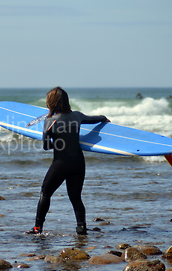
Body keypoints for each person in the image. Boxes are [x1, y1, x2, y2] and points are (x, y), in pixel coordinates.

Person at [26, 87, 110, 236]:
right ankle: (81, 228)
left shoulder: (50, 121)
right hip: (78, 163)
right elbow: (97, 118)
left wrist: (56, 141)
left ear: (51, 103)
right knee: (75, 197)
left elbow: (46, 146)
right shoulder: (77, 116)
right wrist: (104, 119)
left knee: (45, 193)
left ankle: (37, 228)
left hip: (61, 163)